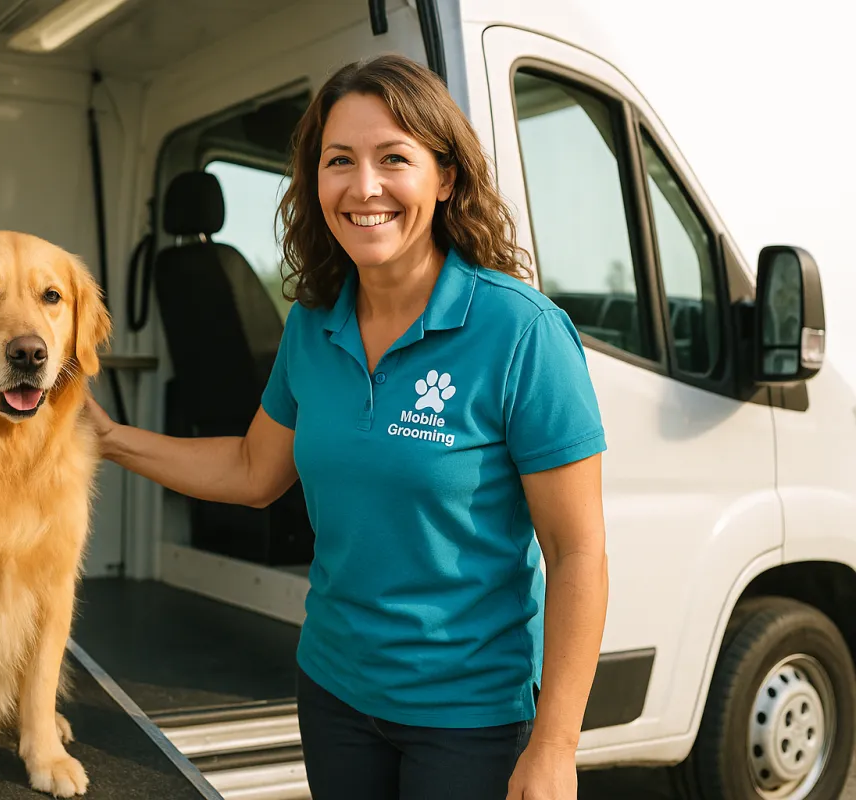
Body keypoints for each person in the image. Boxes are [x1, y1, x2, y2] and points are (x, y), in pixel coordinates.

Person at [84, 53, 608, 800]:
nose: (364, 187)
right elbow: (252, 471)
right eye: (340, 162)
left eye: (394, 158)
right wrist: (107, 439)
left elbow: (578, 550)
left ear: (445, 176)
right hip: (333, 692)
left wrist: (556, 745)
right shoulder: (312, 324)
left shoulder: (521, 332)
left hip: (467, 718)